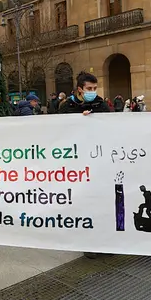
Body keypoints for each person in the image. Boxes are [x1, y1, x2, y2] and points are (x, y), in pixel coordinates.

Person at [58, 71, 109, 260]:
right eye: (89, 89)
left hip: (98, 160)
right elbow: (61, 131)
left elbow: (111, 124)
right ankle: (88, 242)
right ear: (80, 89)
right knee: (85, 202)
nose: (93, 92)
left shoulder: (100, 104)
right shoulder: (67, 107)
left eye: (95, 89)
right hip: (78, 163)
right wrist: (80, 120)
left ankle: (104, 241)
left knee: (100, 201)